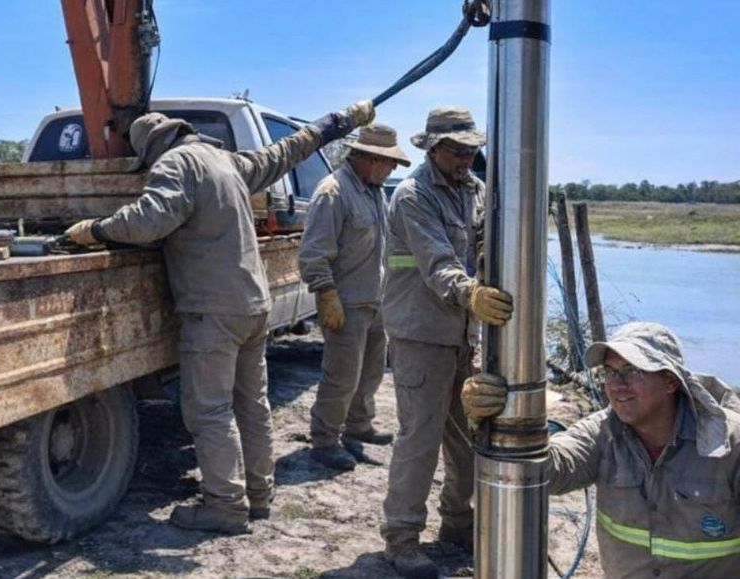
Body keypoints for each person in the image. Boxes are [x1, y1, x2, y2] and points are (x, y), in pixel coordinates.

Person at [64, 101, 375, 536]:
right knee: (252, 404)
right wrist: (336, 122)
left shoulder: (175, 164)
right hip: (252, 305)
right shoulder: (226, 161)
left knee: (209, 410)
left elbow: (149, 221)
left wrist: (95, 229)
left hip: (212, 312)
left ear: (152, 148)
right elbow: (284, 152)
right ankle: (259, 494)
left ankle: (225, 506)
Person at [462, 321, 740, 579]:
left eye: (632, 372)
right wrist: (496, 425)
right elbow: (549, 469)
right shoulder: (601, 434)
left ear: (670, 381)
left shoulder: (728, 444)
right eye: (609, 373)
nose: (617, 385)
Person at [380, 106, 514, 579]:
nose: (466, 159)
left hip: (461, 333)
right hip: (420, 332)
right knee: (420, 437)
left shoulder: (473, 191)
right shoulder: (413, 197)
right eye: (458, 151)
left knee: (464, 435)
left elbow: (480, 245)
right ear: (433, 149)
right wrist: (471, 292)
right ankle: (402, 538)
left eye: (472, 150)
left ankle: (458, 523)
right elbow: (438, 262)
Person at [299, 124, 411, 471]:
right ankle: (325, 439)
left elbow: (388, 246)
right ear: (369, 158)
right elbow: (314, 252)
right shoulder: (333, 192)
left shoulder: (374, 191)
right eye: (389, 163)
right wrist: (326, 293)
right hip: (345, 302)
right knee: (341, 375)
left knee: (371, 371)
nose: (392, 170)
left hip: (375, 298)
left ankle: (359, 425)